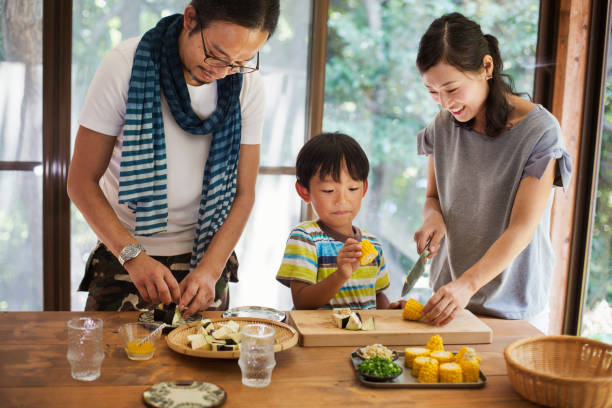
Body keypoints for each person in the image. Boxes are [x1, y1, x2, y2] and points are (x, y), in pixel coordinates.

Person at [67, 0, 280, 317]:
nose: (222, 71)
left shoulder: (246, 86)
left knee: (206, 361)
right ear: (191, 17)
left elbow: (244, 192)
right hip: (125, 249)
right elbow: (81, 182)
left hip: (206, 256)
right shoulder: (125, 65)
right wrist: (133, 256)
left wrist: (211, 269)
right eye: (216, 54)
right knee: (117, 363)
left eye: (241, 61)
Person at [413, 12, 572, 332]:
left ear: (486, 67)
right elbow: (433, 195)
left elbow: (523, 228)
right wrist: (433, 216)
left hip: (512, 305)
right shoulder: (443, 125)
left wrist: (468, 284)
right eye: (433, 91)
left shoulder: (540, 131)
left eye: (451, 88)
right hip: (450, 299)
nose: (444, 103)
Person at [276, 133, 403, 310]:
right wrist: (341, 274)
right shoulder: (305, 238)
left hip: (364, 338)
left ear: (364, 189)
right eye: (328, 190)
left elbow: (377, 295)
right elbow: (302, 302)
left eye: (352, 188)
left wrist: (392, 311)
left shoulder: (373, 244)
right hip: (319, 337)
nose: (342, 200)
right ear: (304, 191)